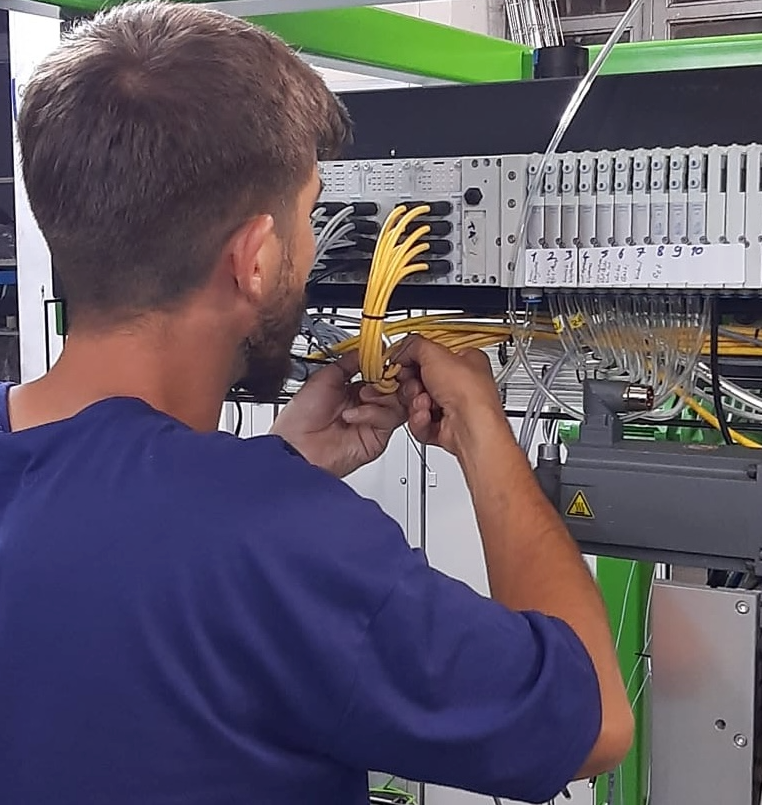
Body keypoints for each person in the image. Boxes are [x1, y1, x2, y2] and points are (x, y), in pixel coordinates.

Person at [0, 2, 633, 803]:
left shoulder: (245, 519)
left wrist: (279, 468)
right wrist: (484, 438)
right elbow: (597, 720)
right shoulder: (279, 539)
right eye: (308, 215)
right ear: (256, 258)